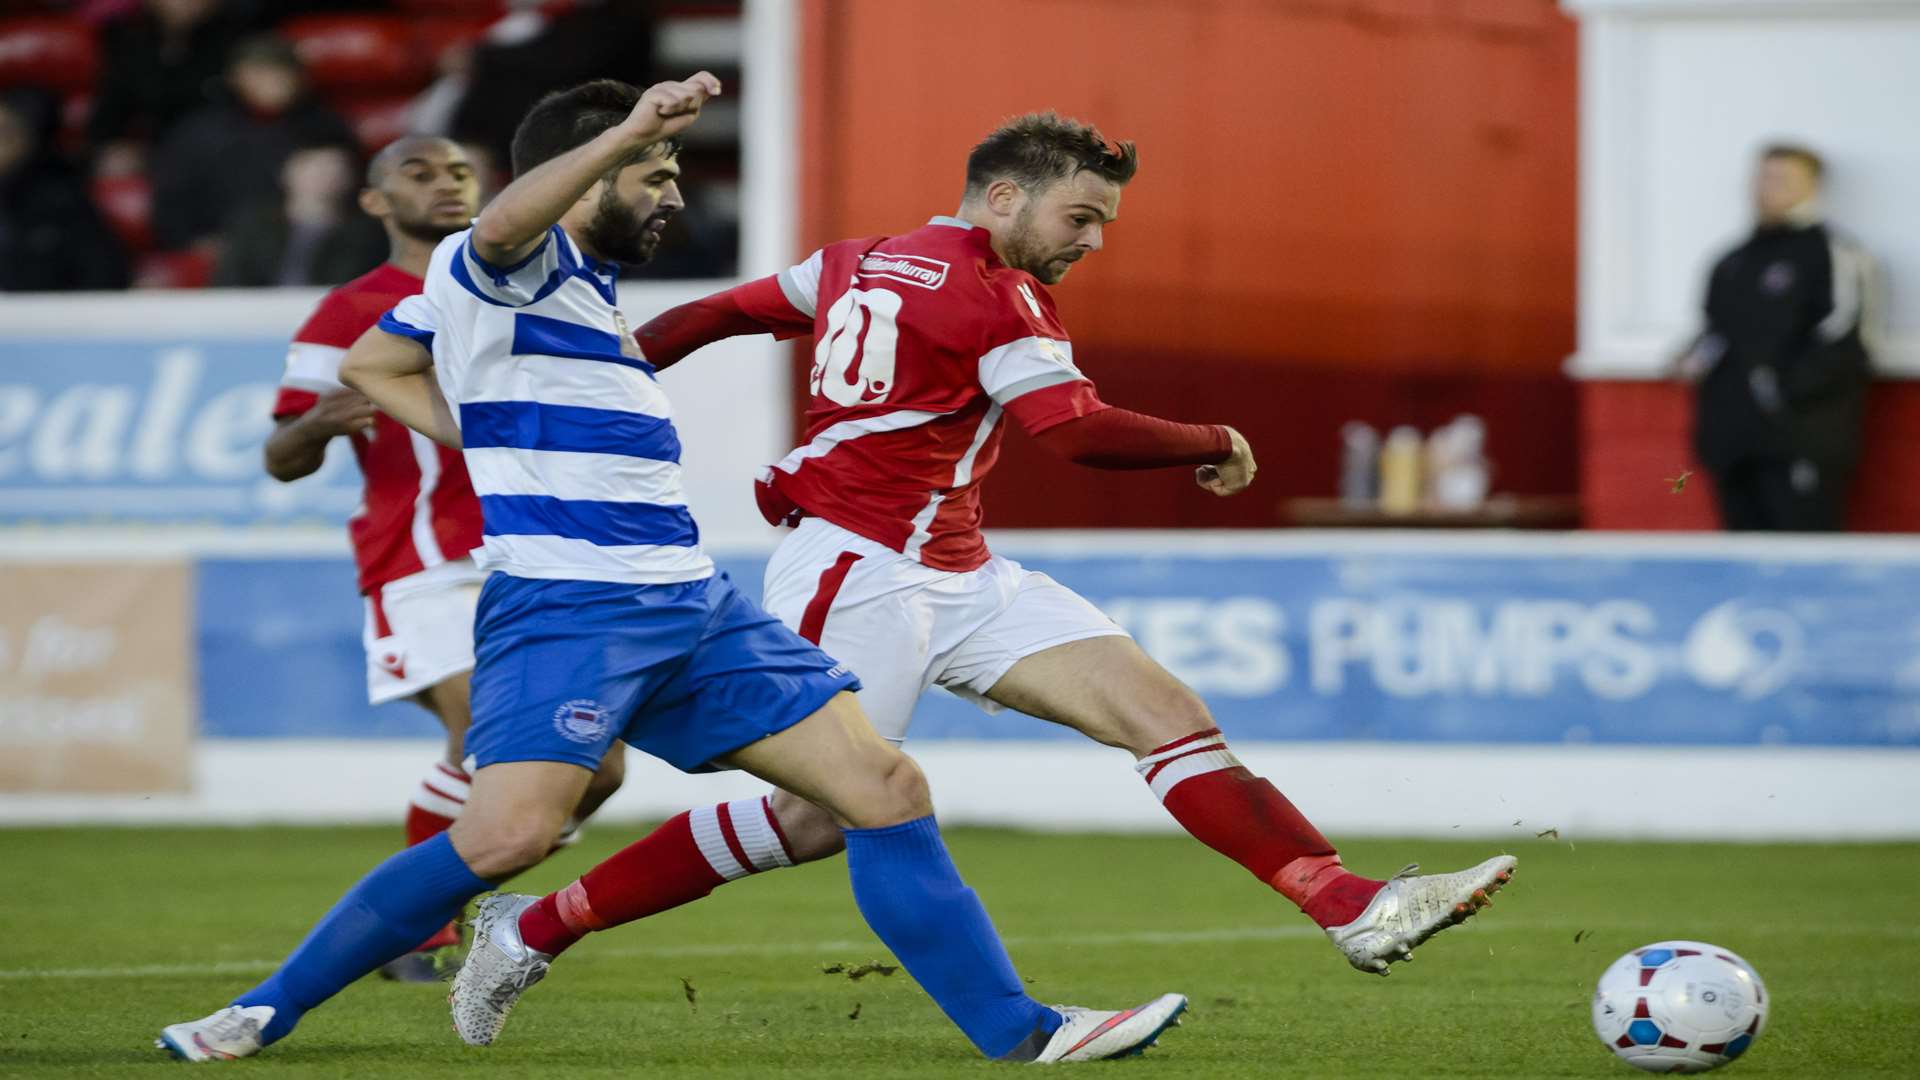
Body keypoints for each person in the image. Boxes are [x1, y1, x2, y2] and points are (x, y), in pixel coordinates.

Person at [160, 77, 1183, 1066]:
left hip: (692, 603)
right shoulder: (508, 264)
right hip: (569, 607)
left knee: (879, 785)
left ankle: (1026, 1033)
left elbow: (372, 365)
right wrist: (628, 129)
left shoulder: (574, 295)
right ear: (585, 172)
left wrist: (484, 434)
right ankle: (257, 1013)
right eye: (655, 173)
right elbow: (487, 245)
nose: (675, 195)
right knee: (509, 836)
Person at [462, 115, 1516, 1019]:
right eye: (1080, 217)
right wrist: (1215, 440)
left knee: (1165, 713)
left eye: (1102, 222)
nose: (1093, 241)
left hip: (958, 567)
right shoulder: (991, 294)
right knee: (816, 815)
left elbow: (718, 314)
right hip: (861, 566)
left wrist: (606, 373)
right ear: (1004, 195)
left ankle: (1348, 904)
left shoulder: (853, 260)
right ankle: (531, 932)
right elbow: (1078, 431)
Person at [258, 133, 625, 982]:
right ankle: (417, 933)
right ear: (376, 202)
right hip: (422, 560)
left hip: (535, 553)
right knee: (485, 740)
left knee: (598, 766)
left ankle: (456, 887)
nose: (445, 184)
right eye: (416, 173)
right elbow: (281, 454)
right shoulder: (348, 311)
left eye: (459, 170)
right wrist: (316, 422)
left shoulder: (528, 286)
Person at [1681, 143, 1879, 531]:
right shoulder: (1732, 260)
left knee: (1801, 561)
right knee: (1741, 563)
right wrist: (1692, 361)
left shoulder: (1836, 255)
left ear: (1813, 186)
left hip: (1800, 441)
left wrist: (1780, 390)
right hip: (1733, 442)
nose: (1766, 188)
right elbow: (1716, 332)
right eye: (1762, 177)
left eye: (1781, 178)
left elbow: (1846, 339)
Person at [148, 33, 359, 255]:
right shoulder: (198, 133)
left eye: (280, 71)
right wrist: (195, 242)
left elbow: (352, 199)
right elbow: (172, 201)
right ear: (235, 79)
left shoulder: (327, 130)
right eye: (259, 72)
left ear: (299, 78)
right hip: (221, 248)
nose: (272, 81)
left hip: (310, 247)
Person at [0, 91, 129, 292]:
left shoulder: (61, 200)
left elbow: (104, 272)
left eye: (4, 134)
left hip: (45, 314)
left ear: (25, 141)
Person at [213, 143, 387, 287]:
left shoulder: (367, 234)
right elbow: (230, 282)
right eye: (313, 167)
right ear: (286, 171)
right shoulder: (252, 225)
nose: (324, 176)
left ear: (350, 177)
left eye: (334, 168)